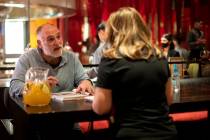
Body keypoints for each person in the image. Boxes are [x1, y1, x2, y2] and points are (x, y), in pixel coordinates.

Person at [92, 7, 177, 140]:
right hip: (166, 133)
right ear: (142, 29)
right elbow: (169, 99)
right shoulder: (159, 56)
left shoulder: (111, 59)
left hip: (129, 134)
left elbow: (100, 108)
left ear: (113, 32)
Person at [9, 23, 93, 139]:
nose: (58, 42)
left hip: (67, 123)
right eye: (50, 39)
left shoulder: (71, 57)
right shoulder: (27, 59)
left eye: (59, 37)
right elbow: (14, 86)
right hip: (37, 123)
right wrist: (38, 86)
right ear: (39, 44)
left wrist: (85, 82)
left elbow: (83, 79)